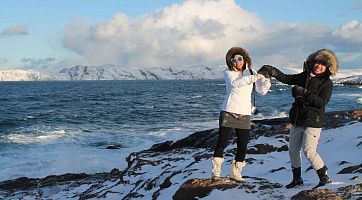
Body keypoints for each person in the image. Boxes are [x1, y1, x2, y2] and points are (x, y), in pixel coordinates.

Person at [258, 49, 338, 189]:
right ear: (311, 63)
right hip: (297, 120)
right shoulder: (304, 76)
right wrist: (273, 70)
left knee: (309, 150)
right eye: (317, 63)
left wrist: (304, 93)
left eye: (322, 64)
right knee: (293, 150)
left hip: (313, 121)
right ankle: (297, 179)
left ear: (327, 67)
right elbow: (287, 79)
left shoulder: (326, 83)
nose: (318, 66)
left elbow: (321, 102)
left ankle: (324, 176)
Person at [212, 47, 271, 182]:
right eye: (234, 60)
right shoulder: (228, 73)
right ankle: (216, 172)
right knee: (222, 142)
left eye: (240, 59)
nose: (237, 62)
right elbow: (236, 84)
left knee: (242, 145)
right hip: (229, 111)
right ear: (231, 62)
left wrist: (266, 80)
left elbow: (261, 91)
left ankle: (236, 172)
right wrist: (254, 77)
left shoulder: (251, 72)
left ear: (245, 60)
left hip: (244, 113)